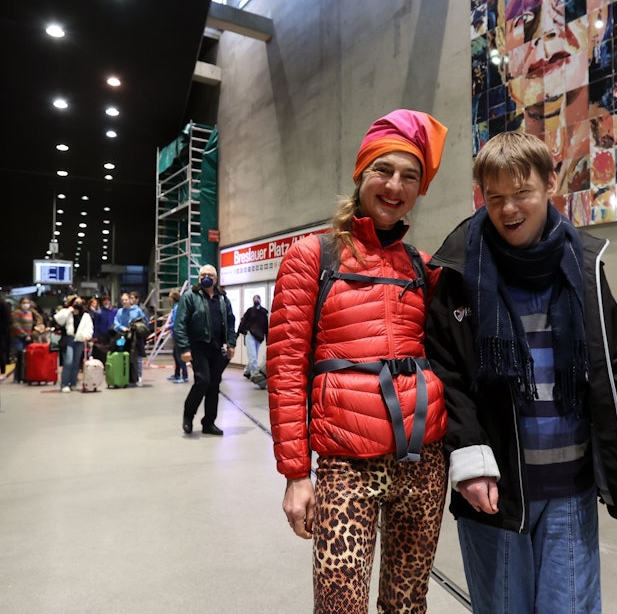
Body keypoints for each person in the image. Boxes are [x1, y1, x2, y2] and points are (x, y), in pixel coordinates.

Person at [424, 131, 617, 614]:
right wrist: (467, 454)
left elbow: (609, 358)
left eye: (522, 194)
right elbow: (446, 373)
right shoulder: (458, 272)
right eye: (495, 198)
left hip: (570, 488)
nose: (509, 209)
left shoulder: (584, 263)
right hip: (494, 488)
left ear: (551, 183)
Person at [268, 109, 449, 614]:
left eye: (410, 176)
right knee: (339, 605)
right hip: (347, 464)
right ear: (360, 174)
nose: (395, 185)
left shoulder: (419, 265)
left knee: (408, 603)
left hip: (424, 460)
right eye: (383, 170)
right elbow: (284, 370)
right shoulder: (313, 255)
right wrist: (296, 474)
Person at [174, 265, 236, 435]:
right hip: (197, 347)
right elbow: (180, 324)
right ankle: (188, 416)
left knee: (214, 385)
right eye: (202, 275)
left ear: (216, 279)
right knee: (203, 381)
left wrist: (231, 344)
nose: (206, 277)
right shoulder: (190, 297)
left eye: (209, 275)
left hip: (216, 348)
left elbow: (231, 322)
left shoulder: (223, 299)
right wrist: (185, 348)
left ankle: (209, 423)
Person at [112, 292, 150, 387]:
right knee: (124, 356)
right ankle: (126, 377)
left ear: (130, 300)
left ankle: (138, 376)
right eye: (122, 300)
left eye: (126, 299)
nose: (124, 302)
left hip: (136, 337)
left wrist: (137, 326)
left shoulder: (137, 310)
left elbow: (145, 321)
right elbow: (116, 323)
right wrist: (122, 328)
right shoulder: (120, 311)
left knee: (137, 357)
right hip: (123, 336)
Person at [238, 294, 268, 387]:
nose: (256, 301)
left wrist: (268, 339)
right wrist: (241, 331)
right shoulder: (250, 311)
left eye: (257, 299)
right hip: (250, 335)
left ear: (260, 300)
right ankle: (256, 377)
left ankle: (247, 371)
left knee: (253, 355)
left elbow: (266, 326)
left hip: (259, 337)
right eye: (254, 299)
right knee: (253, 357)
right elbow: (243, 322)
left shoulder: (263, 312)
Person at [52, 295, 81, 392]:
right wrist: (68, 311)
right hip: (68, 339)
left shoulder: (83, 313)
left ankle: (73, 383)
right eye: (76, 302)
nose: (78, 304)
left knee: (76, 363)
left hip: (79, 339)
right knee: (68, 362)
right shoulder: (65, 311)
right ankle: (64, 384)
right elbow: (58, 320)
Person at [162, 289, 187, 383]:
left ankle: (184, 376)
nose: (169, 298)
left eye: (170, 297)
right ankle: (177, 374)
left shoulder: (178, 308)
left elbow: (177, 321)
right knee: (175, 355)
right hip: (175, 333)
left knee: (180, 355)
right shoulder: (176, 307)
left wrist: (168, 326)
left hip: (179, 334)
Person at [9, 296, 35, 383]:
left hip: (28, 337)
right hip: (18, 337)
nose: (26, 304)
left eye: (27, 302)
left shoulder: (30, 313)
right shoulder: (17, 313)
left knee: (27, 357)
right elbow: (16, 325)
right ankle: (17, 377)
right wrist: (24, 335)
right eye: (24, 303)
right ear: (20, 304)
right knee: (20, 355)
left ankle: (25, 376)